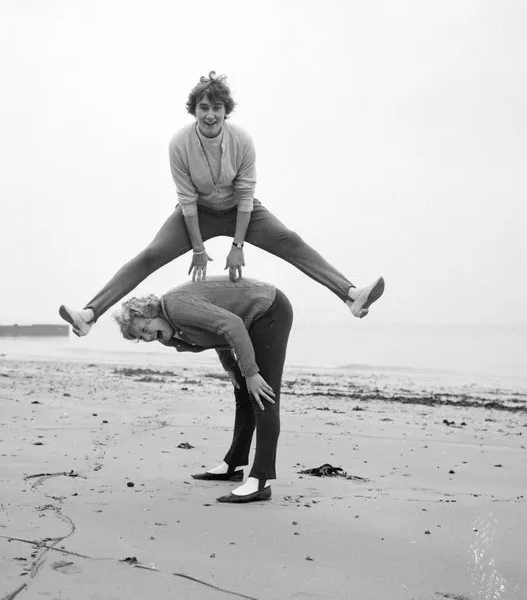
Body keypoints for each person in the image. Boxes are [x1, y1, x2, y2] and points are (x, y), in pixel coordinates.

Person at [60, 71, 384, 337]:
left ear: (226, 111)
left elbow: (245, 195)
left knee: (290, 241)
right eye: (204, 107)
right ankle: (90, 314)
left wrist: (238, 244)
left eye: (217, 107)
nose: (211, 114)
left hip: (241, 209)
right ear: (194, 111)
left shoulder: (241, 140)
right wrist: (199, 249)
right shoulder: (179, 144)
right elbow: (186, 200)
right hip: (196, 212)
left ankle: (351, 295)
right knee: (150, 255)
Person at [113, 275, 293, 504]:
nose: (148, 337)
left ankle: (260, 480)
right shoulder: (171, 334)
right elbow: (216, 333)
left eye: (145, 328)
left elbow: (232, 325)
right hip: (248, 323)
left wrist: (250, 372)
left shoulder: (177, 307)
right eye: (140, 337)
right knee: (243, 392)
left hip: (268, 310)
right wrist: (231, 368)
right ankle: (235, 463)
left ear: (151, 313)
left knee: (262, 394)